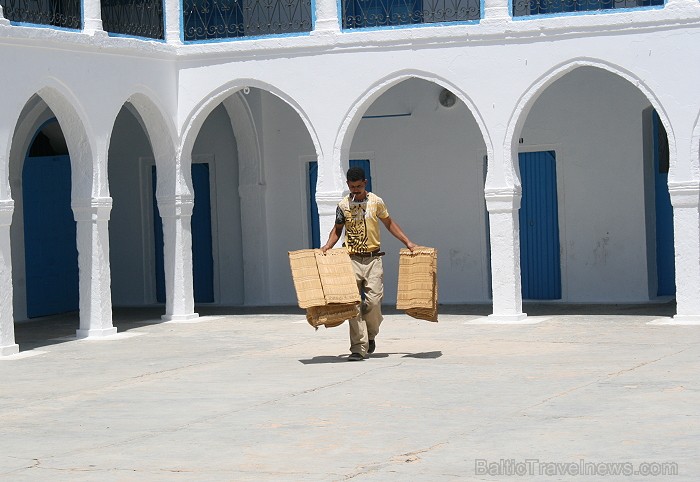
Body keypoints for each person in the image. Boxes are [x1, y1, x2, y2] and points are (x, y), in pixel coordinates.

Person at [321, 167, 416, 361]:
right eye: (352, 186)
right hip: (351, 259)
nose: (355, 190)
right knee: (353, 305)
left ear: (365, 183)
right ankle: (358, 348)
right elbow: (337, 230)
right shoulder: (343, 206)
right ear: (347, 184)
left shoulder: (376, 202)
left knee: (373, 302)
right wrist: (328, 246)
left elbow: (389, 223)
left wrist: (408, 242)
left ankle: (370, 334)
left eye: (358, 186)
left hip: (373, 259)